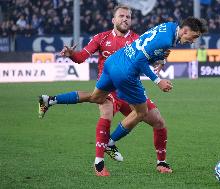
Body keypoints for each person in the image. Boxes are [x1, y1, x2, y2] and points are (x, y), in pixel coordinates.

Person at [39, 5, 172, 176]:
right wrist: (72, 54)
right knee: (106, 111)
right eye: (122, 16)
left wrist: (160, 60)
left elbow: (147, 64)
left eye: (128, 17)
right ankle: (99, 163)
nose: (125, 19)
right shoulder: (101, 38)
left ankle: (161, 162)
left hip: (130, 90)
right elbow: (81, 58)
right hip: (108, 87)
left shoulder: (139, 40)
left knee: (158, 121)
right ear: (113, 20)